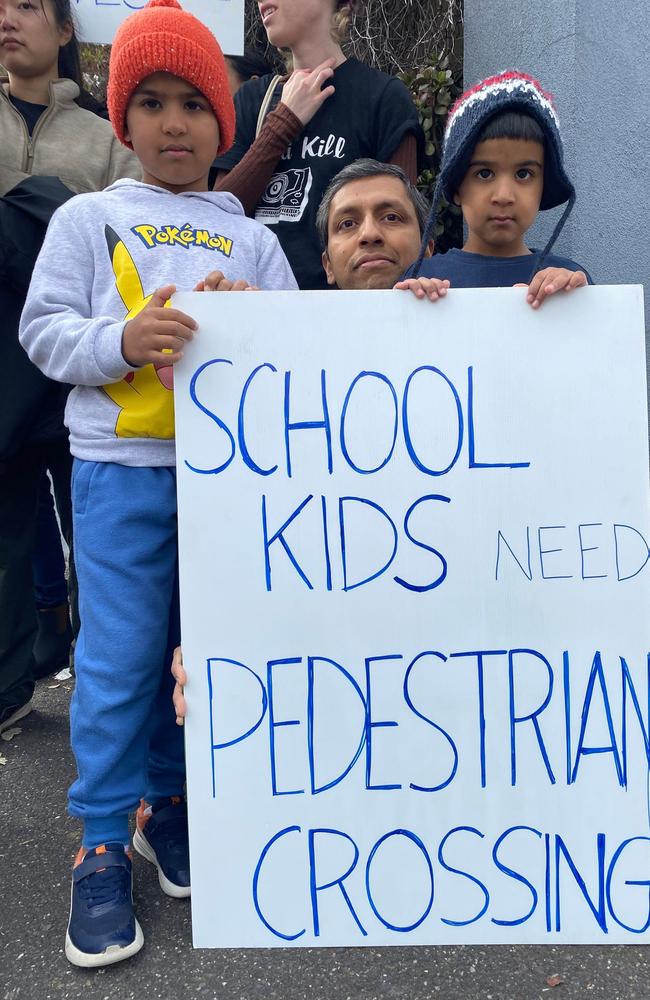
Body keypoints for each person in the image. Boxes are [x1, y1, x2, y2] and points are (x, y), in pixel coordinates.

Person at [20, 0, 297, 967]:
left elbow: (301, 352)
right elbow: (43, 331)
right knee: (119, 660)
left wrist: (257, 319)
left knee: (204, 660)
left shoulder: (253, 239)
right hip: (119, 478)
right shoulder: (87, 219)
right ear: (121, 119)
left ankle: (170, 806)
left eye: (195, 104)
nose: (175, 124)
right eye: (153, 102)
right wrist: (120, 342)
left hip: (229, 489)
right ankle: (99, 840)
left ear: (228, 123)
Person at [0, 0, 141, 726]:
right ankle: (9, 692)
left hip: (92, 366)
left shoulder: (106, 139)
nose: (8, 18)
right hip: (3, 367)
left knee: (102, 534)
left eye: (27, 5)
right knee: (8, 531)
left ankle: (105, 685)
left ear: (63, 33)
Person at [213, 0, 423, 290]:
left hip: (348, 315)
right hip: (256, 311)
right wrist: (284, 123)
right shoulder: (253, 100)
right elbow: (215, 219)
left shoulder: (383, 98)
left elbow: (401, 224)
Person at [402, 70, 591, 305]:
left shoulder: (566, 281)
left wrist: (579, 302)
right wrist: (407, 307)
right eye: (484, 173)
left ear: (544, 185)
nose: (503, 196)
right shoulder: (424, 280)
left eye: (523, 174)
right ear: (457, 185)